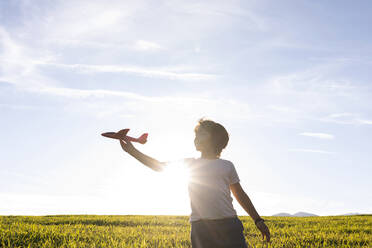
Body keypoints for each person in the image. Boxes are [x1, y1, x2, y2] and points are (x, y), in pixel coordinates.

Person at [119, 118, 270, 248]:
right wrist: (132, 151)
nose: (195, 138)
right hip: (201, 228)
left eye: (200, 134)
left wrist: (257, 220)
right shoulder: (189, 164)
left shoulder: (227, 165)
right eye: (195, 135)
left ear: (214, 139)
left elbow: (240, 194)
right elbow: (158, 166)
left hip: (229, 224)